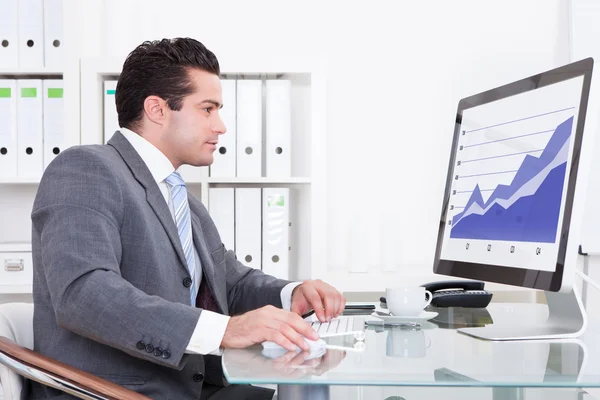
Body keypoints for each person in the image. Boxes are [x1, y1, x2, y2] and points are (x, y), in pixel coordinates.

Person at [28, 37, 346, 400]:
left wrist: (293, 294)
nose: (221, 126)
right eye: (207, 109)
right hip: (117, 393)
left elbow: (230, 283)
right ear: (157, 109)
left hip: (191, 387)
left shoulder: (182, 199)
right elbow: (83, 294)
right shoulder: (87, 169)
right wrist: (225, 331)